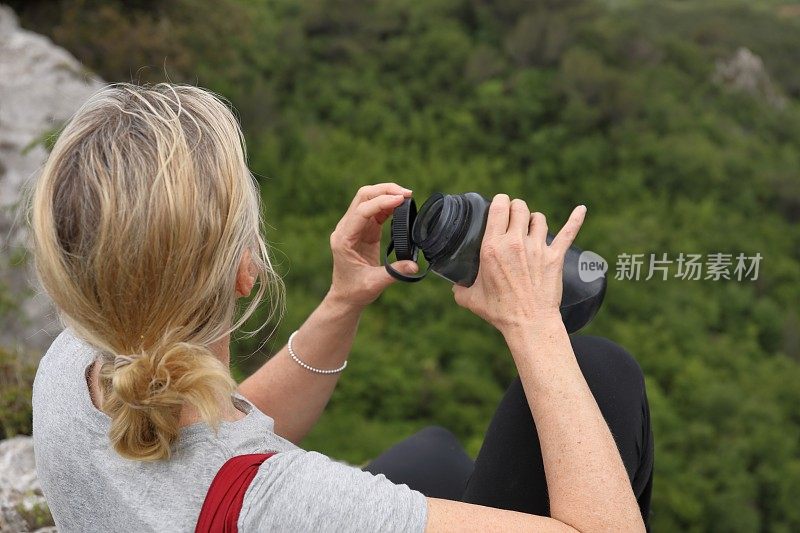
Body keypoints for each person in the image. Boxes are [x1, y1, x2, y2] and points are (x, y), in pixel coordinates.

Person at [27, 83, 652, 532]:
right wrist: (535, 324)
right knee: (601, 374)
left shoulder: (70, 366)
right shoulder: (288, 505)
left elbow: (214, 447)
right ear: (246, 272)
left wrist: (342, 302)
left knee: (432, 455)